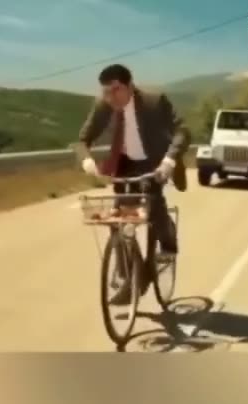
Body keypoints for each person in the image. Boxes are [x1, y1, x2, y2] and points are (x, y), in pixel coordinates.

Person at [78, 64, 190, 302]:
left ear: (130, 85)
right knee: (118, 219)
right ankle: (131, 275)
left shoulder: (154, 102)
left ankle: (168, 241)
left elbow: (183, 131)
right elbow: (81, 140)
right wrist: (86, 159)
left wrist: (169, 160)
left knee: (154, 205)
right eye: (106, 92)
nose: (111, 97)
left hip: (154, 163)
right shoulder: (104, 105)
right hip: (125, 164)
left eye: (116, 90)